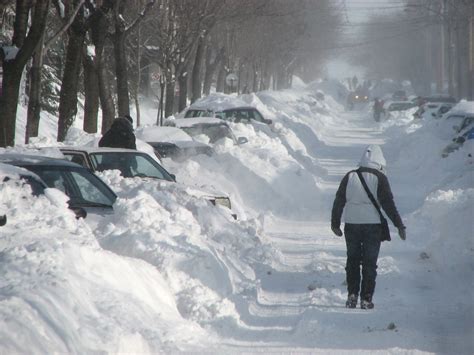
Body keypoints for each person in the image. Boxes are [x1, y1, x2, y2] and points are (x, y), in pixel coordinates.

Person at [331, 144, 406, 309]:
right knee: (369, 263)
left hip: (352, 225)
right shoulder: (380, 178)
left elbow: (339, 201)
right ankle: (366, 299)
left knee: (352, 260)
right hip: (373, 227)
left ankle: (352, 296)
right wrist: (399, 225)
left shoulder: (349, 176)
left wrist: (335, 223)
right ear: (380, 161)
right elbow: (388, 204)